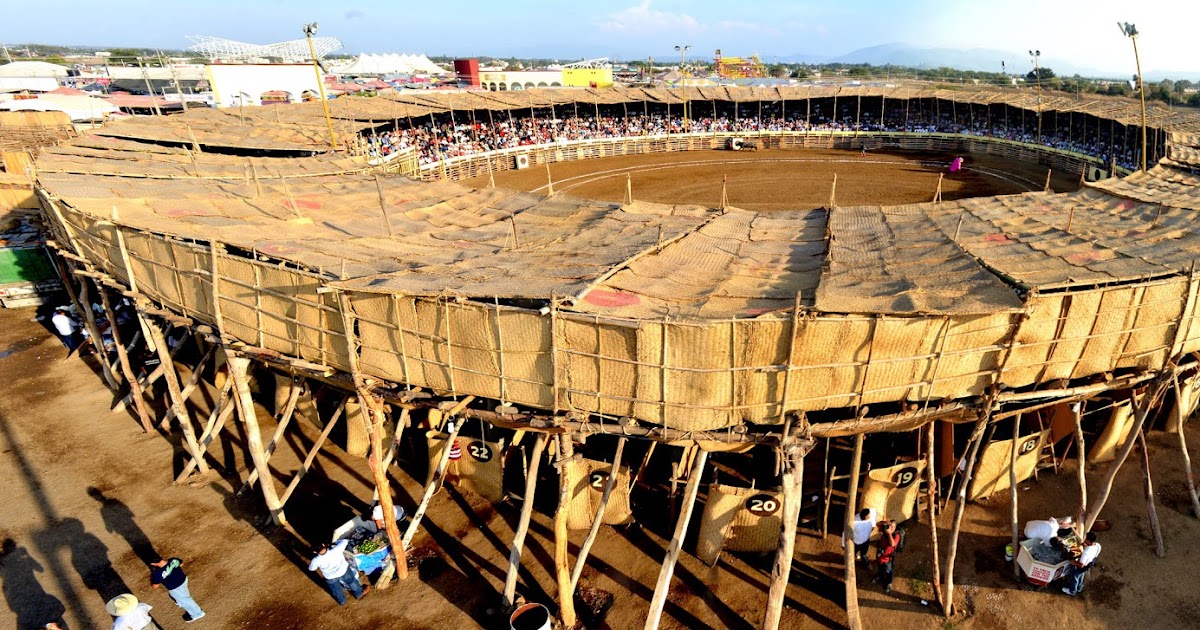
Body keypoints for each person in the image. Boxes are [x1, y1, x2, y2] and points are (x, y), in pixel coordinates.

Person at [308, 540, 369, 605]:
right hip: (343, 571)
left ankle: (342, 601)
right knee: (351, 582)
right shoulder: (336, 549)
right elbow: (345, 541)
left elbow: (312, 569)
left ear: (314, 552)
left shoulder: (315, 560)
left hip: (330, 577)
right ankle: (359, 594)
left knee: (336, 589)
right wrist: (335, 542)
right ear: (323, 545)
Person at [149, 556, 205, 622]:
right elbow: (181, 564)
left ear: (154, 564)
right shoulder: (172, 560)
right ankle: (178, 600)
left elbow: (155, 586)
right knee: (180, 596)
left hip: (175, 588)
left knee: (185, 600)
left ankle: (197, 613)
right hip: (183, 580)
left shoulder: (157, 574)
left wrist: (151, 579)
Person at [1061, 532, 1101, 596]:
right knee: (1081, 575)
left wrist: (1073, 562)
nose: (1084, 539)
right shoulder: (1098, 545)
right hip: (1090, 563)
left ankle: (1072, 591)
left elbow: (1081, 565)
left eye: (1085, 539)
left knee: (1075, 576)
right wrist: (1085, 546)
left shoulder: (1086, 552)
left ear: (1088, 540)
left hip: (1084, 565)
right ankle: (1079, 588)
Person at [876, 520, 899, 593]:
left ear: (895, 528)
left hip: (887, 559)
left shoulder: (896, 535)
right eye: (890, 526)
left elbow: (893, 544)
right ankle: (880, 576)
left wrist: (889, 533)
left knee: (888, 571)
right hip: (880, 555)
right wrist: (884, 523)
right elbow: (877, 524)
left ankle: (888, 583)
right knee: (880, 568)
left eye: (892, 527)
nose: (890, 528)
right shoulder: (885, 529)